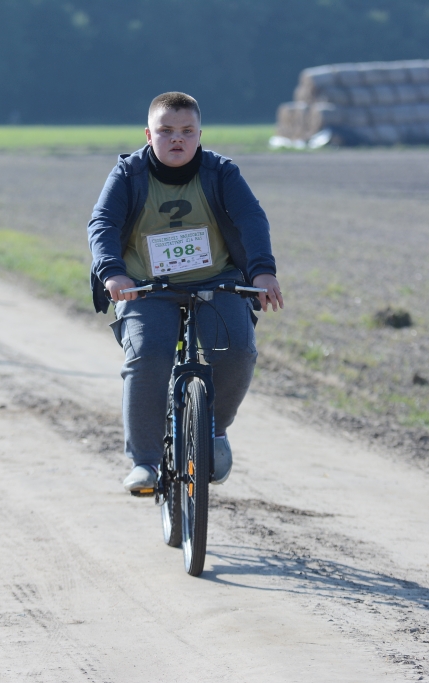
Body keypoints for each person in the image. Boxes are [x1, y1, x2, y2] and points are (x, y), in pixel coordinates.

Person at [87, 92, 284, 493]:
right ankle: (145, 462)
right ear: (148, 135)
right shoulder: (128, 175)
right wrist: (113, 274)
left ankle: (214, 429)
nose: (177, 138)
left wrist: (263, 271)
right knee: (148, 358)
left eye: (187, 131)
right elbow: (103, 223)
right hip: (146, 288)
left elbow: (250, 218)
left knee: (238, 350)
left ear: (199, 135)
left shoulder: (221, 173)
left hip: (217, 282)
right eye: (166, 130)